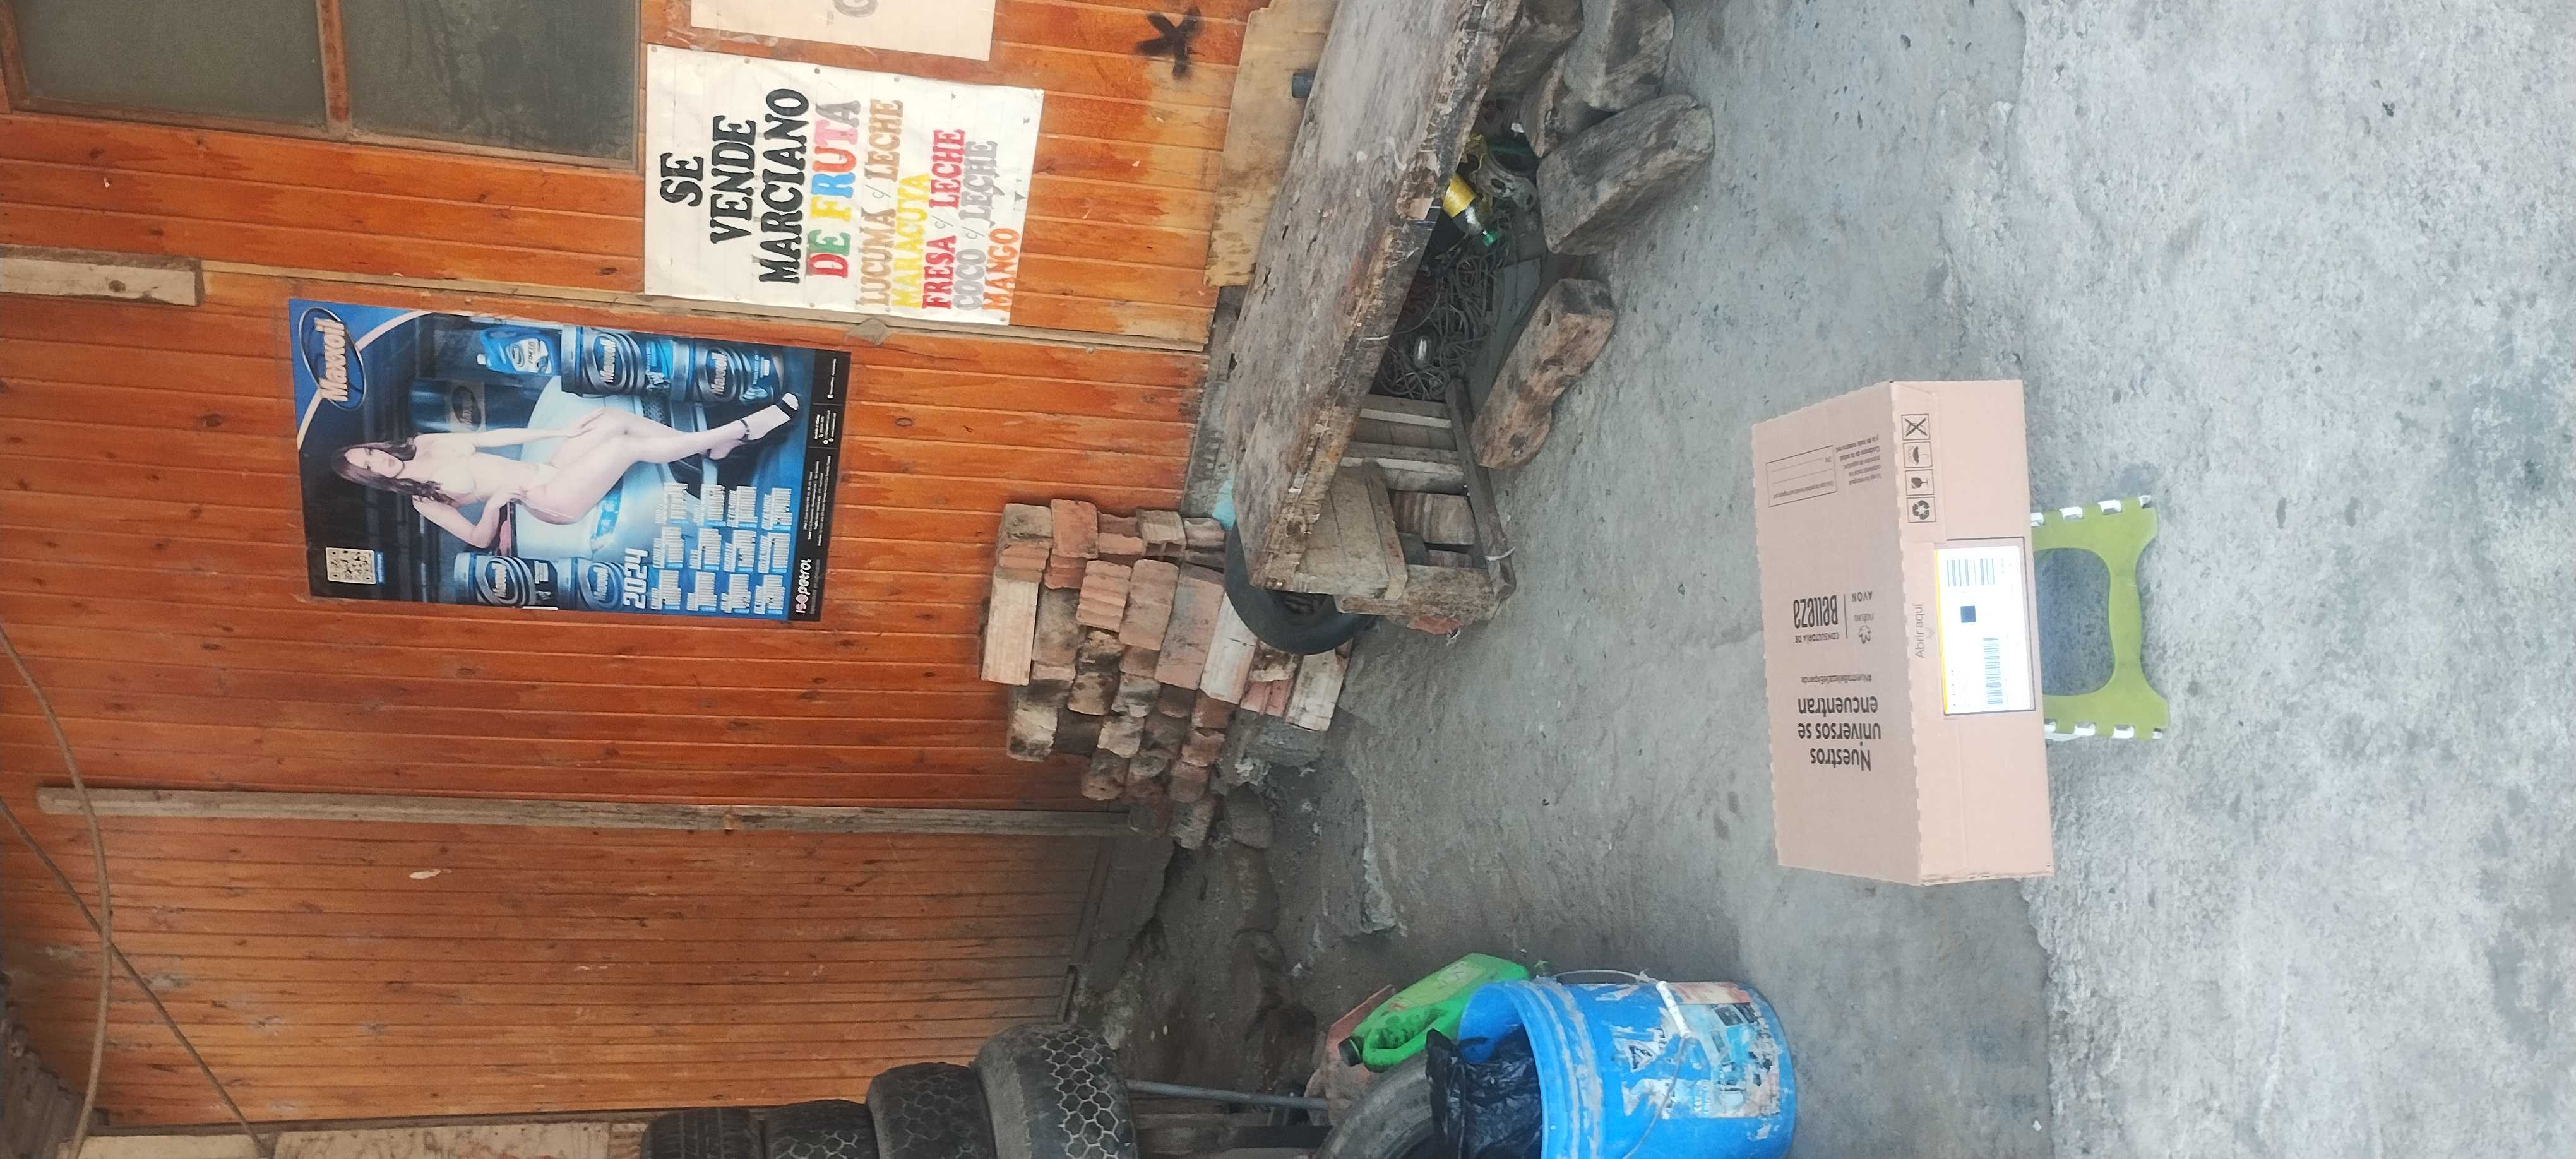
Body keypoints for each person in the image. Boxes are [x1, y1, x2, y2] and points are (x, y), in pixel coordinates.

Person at [331, 398, 798, 549]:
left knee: (612, 418)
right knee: (625, 446)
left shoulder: (425, 442)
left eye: (368, 453)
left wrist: (560, 431)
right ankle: (738, 431)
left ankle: (715, 445)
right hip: (549, 501)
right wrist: (494, 506)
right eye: (367, 467)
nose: (376, 460)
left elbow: (496, 437)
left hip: (549, 469)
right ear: (373, 479)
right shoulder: (423, 501)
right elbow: (477, 539)